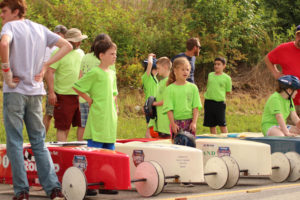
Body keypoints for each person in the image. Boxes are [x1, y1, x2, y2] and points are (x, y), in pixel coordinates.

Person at [0, 0, 72, 199]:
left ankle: (22, 192)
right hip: (35, 92)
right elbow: (66, 46)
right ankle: (54, 189)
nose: (1, 15)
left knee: (15, 142)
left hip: (15, 91)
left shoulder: (10, 26)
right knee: (38, 142)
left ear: (15, 11)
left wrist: (6, 72)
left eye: (4, 11)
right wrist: (45, 64)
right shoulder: (40, 29)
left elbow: (4, 43)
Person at [73, 39, 119, 195]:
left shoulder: (112, 73)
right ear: (101, 55)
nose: (114, 57)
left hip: (110, 118)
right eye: (111, 54)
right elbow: (77, 86)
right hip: (97, 117)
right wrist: (89, 100)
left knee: (109, 152)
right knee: (95, 152)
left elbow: (114, 93)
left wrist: (115, 107)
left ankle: (105, 184)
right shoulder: (94, 72)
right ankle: (90, 185)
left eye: (115, 54)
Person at [45, 28, 88, 142]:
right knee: (62, 126)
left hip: (79, 95)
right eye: (77, 40)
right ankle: (62, 154)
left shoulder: (81, 52)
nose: (79, 43)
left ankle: (81, 151)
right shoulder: (59, 52)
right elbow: (49, 71)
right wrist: (51, 92)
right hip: (63, 95)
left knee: (82, 124)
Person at [79, 33, 115, 135]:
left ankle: (82, 148)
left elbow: (80, 77)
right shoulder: (107, 58)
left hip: (84, 97)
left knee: (83, 126)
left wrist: (80, 97)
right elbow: (112, 82)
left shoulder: (85, 57)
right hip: (101, 100)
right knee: (99, 127)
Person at [265, 25, 300, 120]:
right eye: (299, 35)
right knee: (290, 131)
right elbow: (268, 58)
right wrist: (275, 73)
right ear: (296, 36)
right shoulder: (284, 48)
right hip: (288, 99)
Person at [163, 57, 202, 141]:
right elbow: (169, 108)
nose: (185, 72)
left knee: (190, 146)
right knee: (177, 147)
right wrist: (173, 124)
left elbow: (196, 106)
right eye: (183, 69)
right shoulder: (170, 89)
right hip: (176, 124)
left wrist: (194, 122)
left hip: (190, 123)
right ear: (175, 71)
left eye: (187, 70)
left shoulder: (193, 87)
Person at [43, 24, 68, 134]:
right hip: (52, 82)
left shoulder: (64, 47)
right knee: (49, 113)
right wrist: (50, 89)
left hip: (63, 84)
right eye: (58, 34)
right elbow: (46, 67)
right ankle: (41, 140)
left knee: (60, 115)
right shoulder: (51, 47)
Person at [203, 57, 232, 134]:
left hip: (219, 104)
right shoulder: (210, 75)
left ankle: (226, 140)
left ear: (224, 66)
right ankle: (213, 140)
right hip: (208, 102)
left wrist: (219, 96)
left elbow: (228, 92)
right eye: (215, 64)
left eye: (219, 64)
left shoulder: (227, 78)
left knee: (222, 124)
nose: (216, 66)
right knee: (211, 124)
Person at [151, 57, 172, 138]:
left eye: (158, 68)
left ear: (166, 67)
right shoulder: (162, 81)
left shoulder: (169, 81)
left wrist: (153, 104)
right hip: (161, 120)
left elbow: (167, 100)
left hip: (167, 122)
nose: (157, 70)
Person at [142, 53, 158, 138]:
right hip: (149, 104)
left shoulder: (155, 78)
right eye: (156, 69)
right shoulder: (146, 77)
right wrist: (150, 56)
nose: (157, 71)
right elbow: (150, 63)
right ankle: (147, 142)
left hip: (155, 103)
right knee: (149, 127)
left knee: (154, 127)